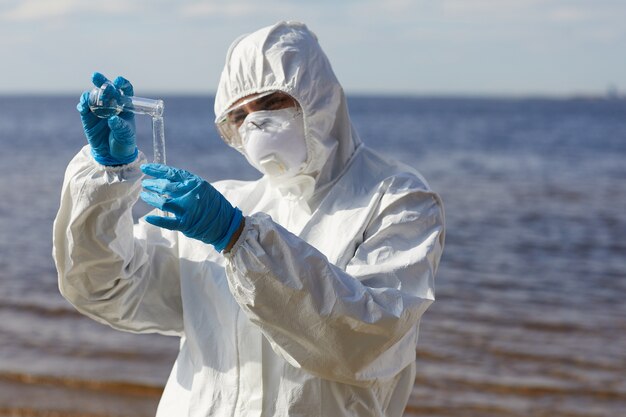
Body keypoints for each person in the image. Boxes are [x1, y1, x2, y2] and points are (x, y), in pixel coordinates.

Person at [53, 21, 445, 417]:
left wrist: (239, 239)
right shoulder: (222, 204)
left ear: (318, 95)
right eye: (240, 114)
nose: (255, 122)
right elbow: (104, 288)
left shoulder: (395, 198)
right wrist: (109, 181)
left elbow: (365, 342)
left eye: (272, 102)